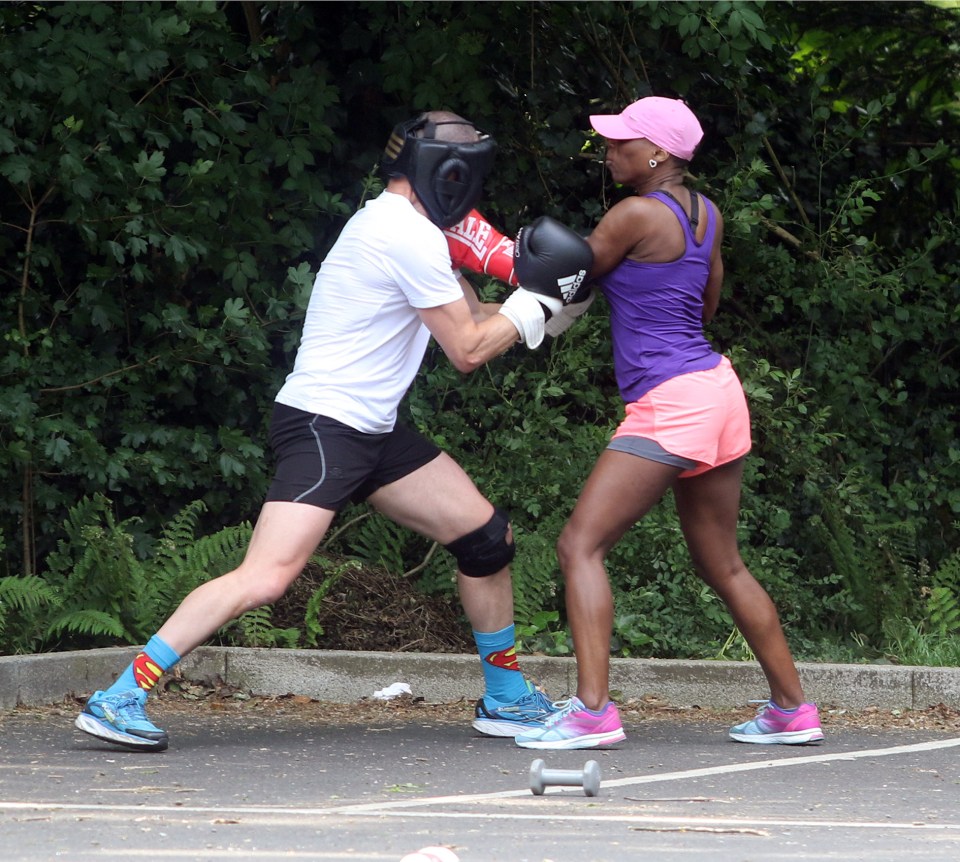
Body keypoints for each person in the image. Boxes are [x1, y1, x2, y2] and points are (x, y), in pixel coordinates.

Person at [75, 110, 592, 752]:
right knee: (265, 578)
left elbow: (477, 314)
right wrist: (535, 304)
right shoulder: (404, 235)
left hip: (373, 428)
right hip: (327, 425)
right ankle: (122, 693)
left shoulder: (412, 229)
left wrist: (554, 307)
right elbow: (468, 349)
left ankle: (506, 697)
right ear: (454, 174)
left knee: (486, 541)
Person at [514, 96, 824, 750]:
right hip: (717, 388)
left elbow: (569, 275)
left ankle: (594, 712)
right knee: (725, 565)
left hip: (673, 399)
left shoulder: (631, 214)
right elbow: (707, 300)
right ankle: (793, 709)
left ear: (658, 153)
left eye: (623, 143)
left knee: (580, 546)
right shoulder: (706, 213)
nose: (610, 151)